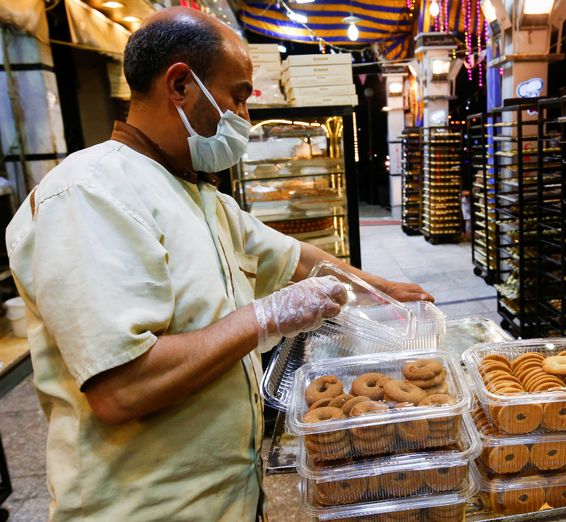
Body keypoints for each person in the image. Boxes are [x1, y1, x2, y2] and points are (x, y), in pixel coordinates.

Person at [5, 8, 432, 521]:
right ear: (181, 85)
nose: (244, 118)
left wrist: (387, 291)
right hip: (145, 505)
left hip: (226, 494)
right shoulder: (90, 194)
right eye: (238, 96)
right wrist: (266, 317)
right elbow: (121, 388)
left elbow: (298, 259)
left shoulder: (198, 196)